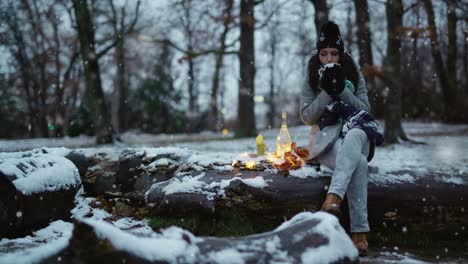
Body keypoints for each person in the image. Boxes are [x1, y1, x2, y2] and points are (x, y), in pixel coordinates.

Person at [300, 21, 383, 256]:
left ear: (341, 53)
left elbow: (365, 110)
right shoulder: (310, 75)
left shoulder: (353, 73)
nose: (328, 58)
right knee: (359, 163)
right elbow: (307, 117)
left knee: (357, 133)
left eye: (333, 53)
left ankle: (333, 198)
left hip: (357, 135)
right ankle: (359, 233)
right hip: (327, 141)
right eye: (324, 53)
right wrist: (327, 91)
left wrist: (343, 90)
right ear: (318, 54)